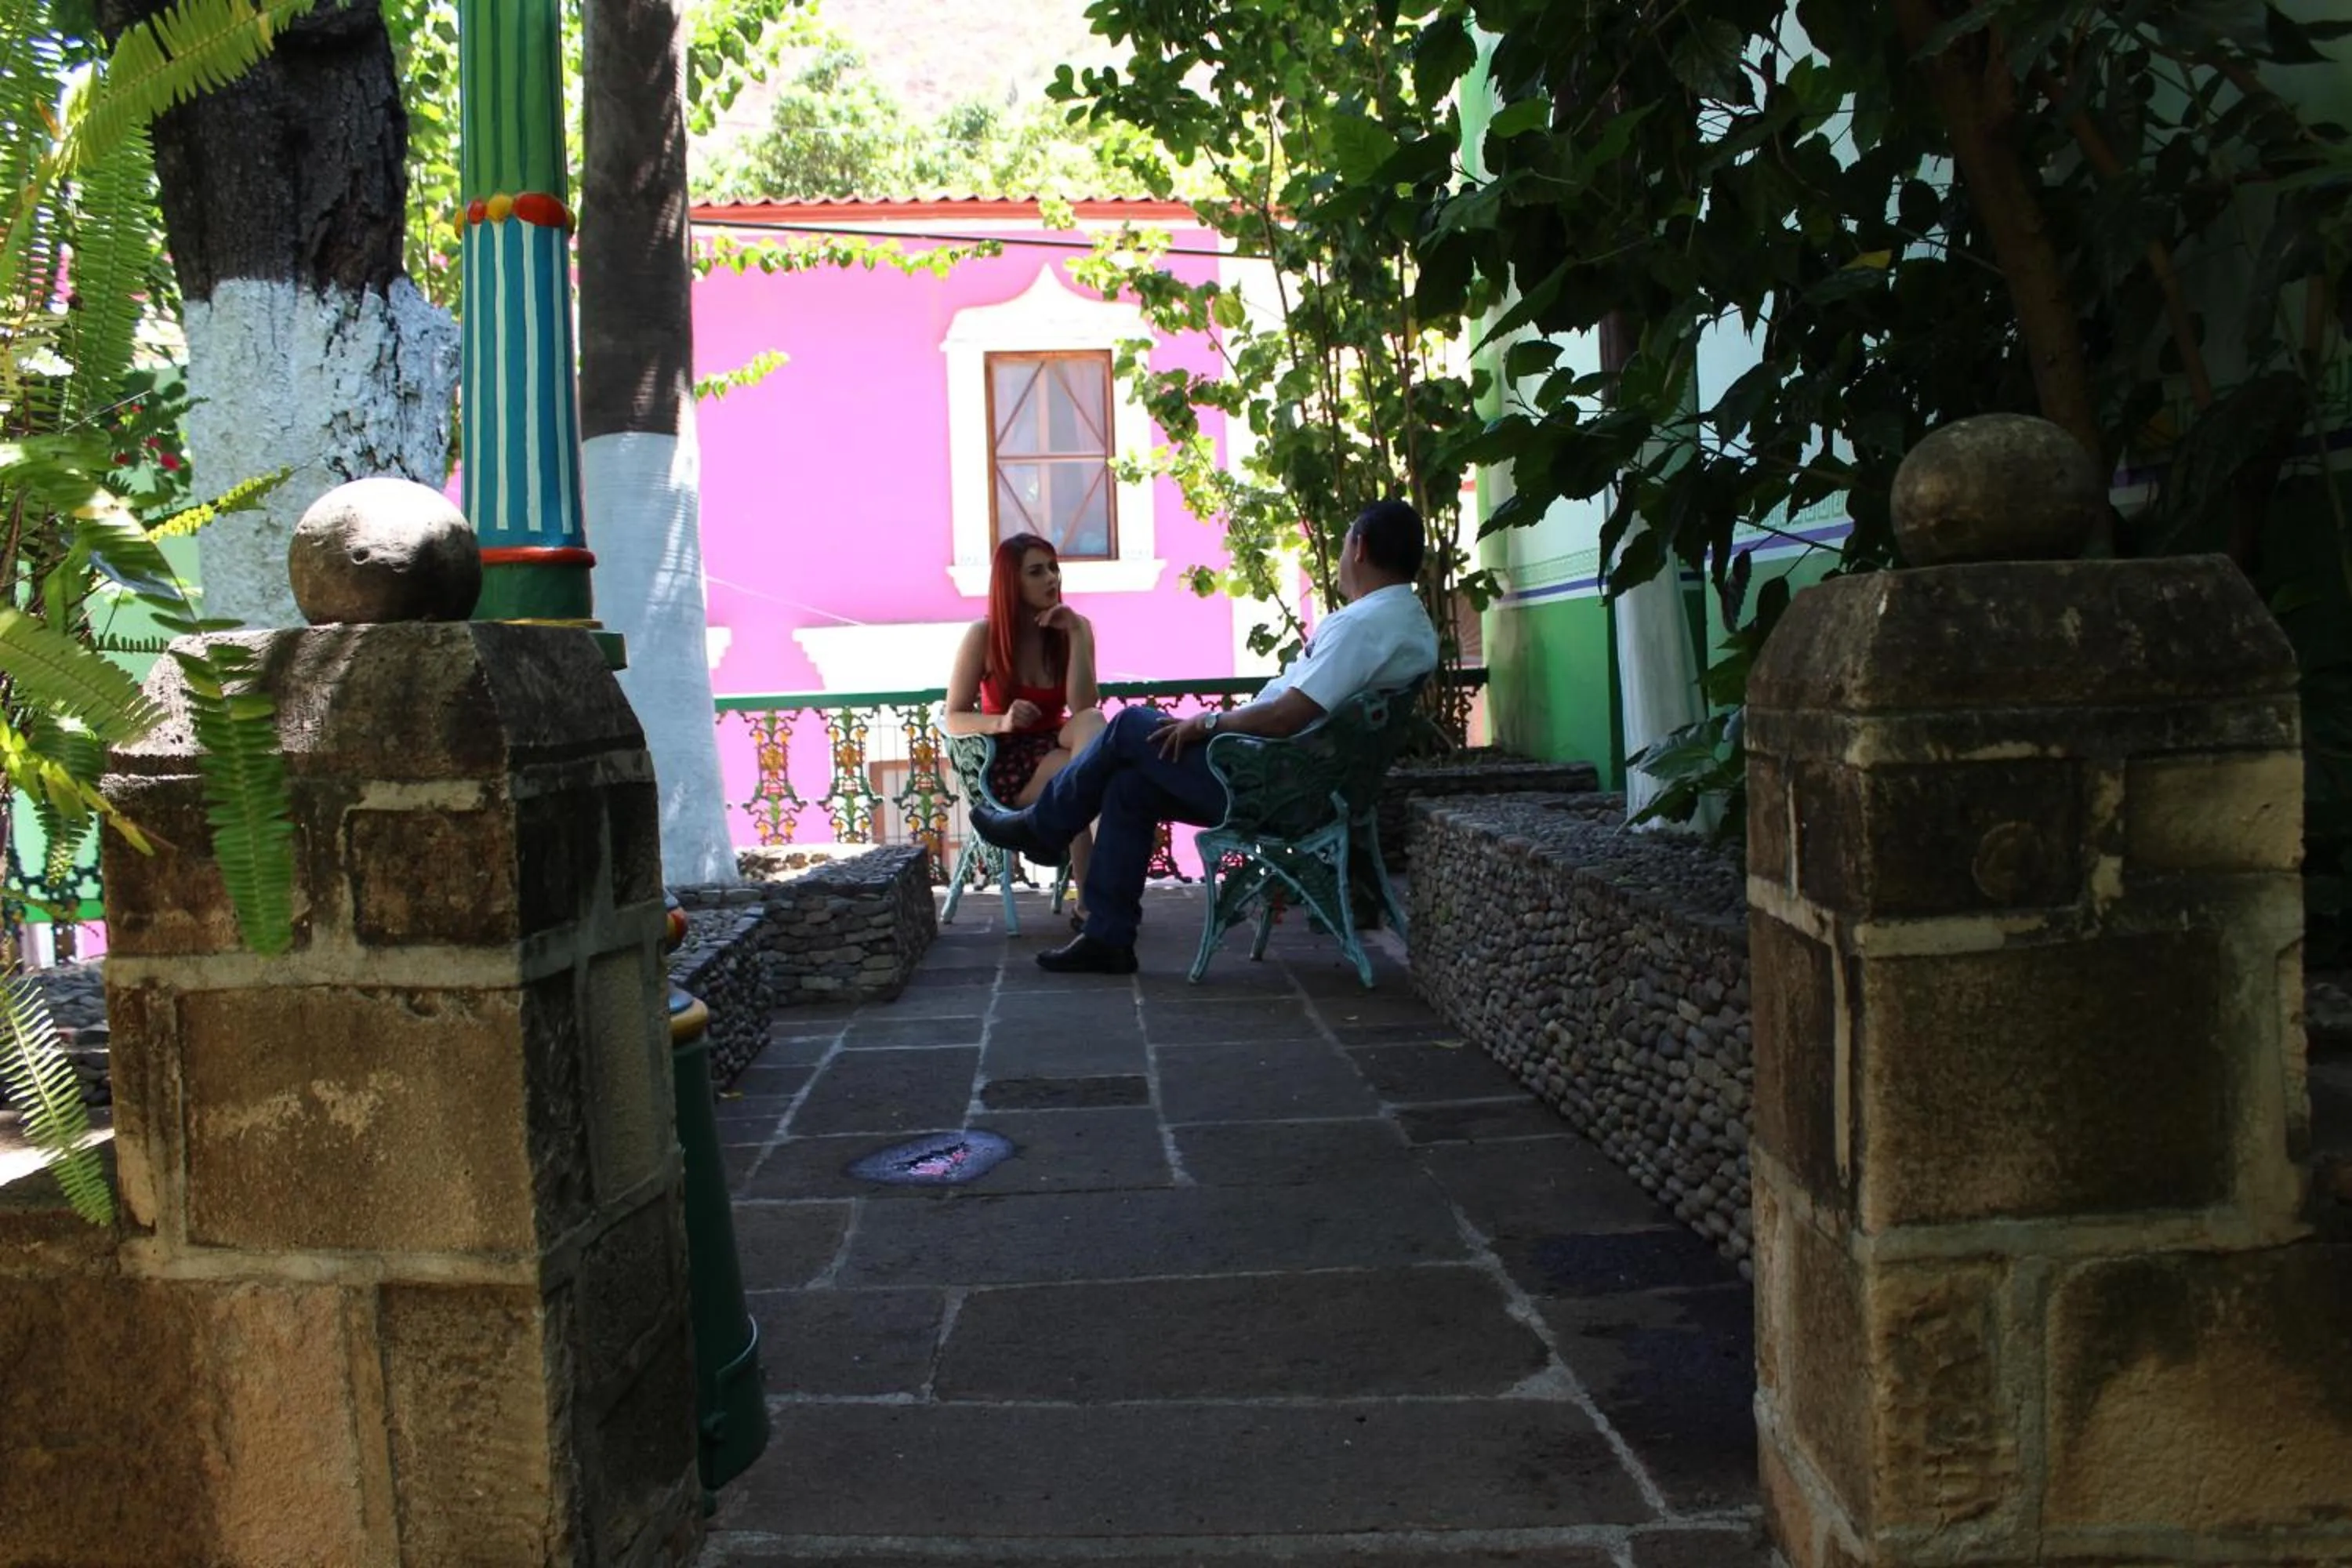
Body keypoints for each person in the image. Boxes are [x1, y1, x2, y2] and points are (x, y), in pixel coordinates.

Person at [971, 499, 1440, 975]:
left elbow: (1288, 716)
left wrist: (1210, 724)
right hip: (1294, 778)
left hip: (1274, 786)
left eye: (1343, 545)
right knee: (1130, 786)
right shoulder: (1404, 620)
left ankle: (1041, 827)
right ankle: (1106, 937)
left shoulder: (1363, 626)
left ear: (1358, 548)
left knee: (1131, 725)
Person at [944, 532, 1105, 916]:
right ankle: (1091, 905)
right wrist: (1002, 720)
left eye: (1054, 569)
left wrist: (1078, 632)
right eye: (1037, 572)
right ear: (1011, 583)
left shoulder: (1071, 631)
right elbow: (953, 717)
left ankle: (1092, 904)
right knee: (1083, 779)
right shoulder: (983, 635)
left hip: (1058, 740)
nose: (1052, 579)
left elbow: (1082, 706)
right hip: (1012, 758)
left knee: (1092, 729)